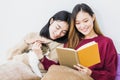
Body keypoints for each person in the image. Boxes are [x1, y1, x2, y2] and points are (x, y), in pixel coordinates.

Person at [6, 10, 71, 78]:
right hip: (14, 70)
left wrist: (40, 56)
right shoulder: (32, 35)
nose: (58, 33)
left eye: (63, 32)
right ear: (51, 21)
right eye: (57, 27)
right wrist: (26, 42)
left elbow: (51, 69)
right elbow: (9, 56)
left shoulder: (59, 46)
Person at [65, 3, 118, 80]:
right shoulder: (72, 41)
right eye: (78, 23)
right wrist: (42, 58)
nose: (82, 26)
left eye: (85, 21)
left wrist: (91, 73)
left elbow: (111, 75)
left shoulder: (106, 42)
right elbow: (60, 67)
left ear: (93, 17)